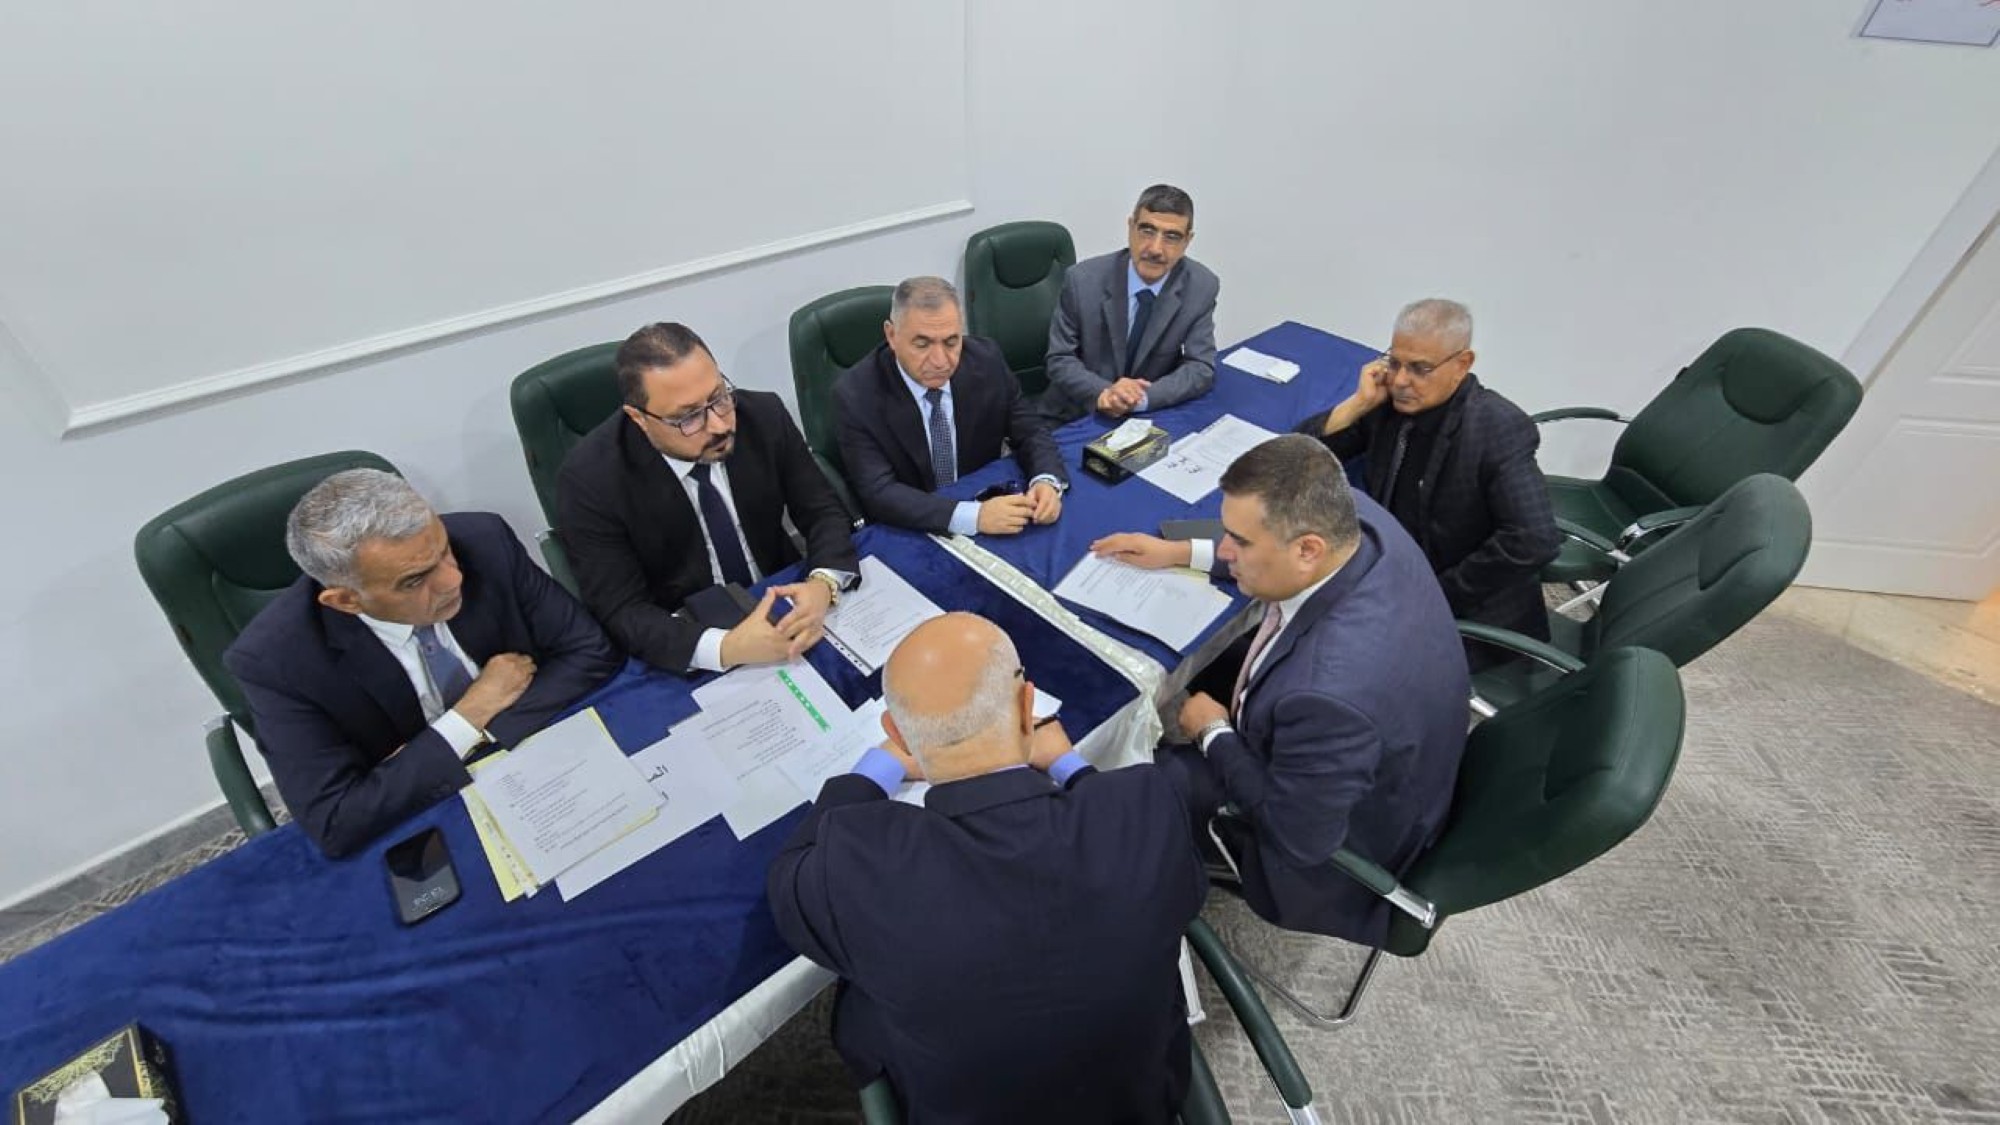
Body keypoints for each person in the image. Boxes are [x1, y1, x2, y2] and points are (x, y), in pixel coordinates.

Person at [767, 613, 1205, 1123]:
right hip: (1142, 1101)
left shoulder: (857, 867)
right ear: (1027, 707)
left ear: (898, 734)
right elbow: (1154, 861)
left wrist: (874, 769)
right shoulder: (1149, 807)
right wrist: (1069, 765)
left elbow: (789, 874)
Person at [1089, 436, 1466, 945]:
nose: (1226, 549)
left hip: (1331, 850)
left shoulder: (1330, 696)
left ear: (1308, 549)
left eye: (1239, 543)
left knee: (1136, 784)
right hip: (1374, 761)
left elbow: (1300, 838)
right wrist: (1180, 552)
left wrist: (1213, 733)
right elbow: (1276, 548)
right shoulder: (1356, 520)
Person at [225, 470, 620, 858]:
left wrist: (445, 749)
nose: (452, 580)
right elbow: (336, 821)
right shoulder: (273, 661)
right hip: (427, 819)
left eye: (444, 551)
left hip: (536, 763)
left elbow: (591, 651)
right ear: (346, 601)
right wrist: (471, 714)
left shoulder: (484, 540)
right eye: (414, 581)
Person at [558, 322, 859, 674]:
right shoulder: (590, 480)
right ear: (639, 418)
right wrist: (725, 648)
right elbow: (621, 610)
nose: (719, 425)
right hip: (687, 634)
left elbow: (822, 510)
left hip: (779, 598)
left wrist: (823, 584)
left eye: (719, 397)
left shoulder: (763, 415)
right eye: (688, 417)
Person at [1298, 298, 1560, 663]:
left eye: (1420, 369)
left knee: (1333, 660)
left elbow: (1534, 540)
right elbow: (1301, 458)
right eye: (1394, 363)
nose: (1401, 381)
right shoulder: (1388, 404)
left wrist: (1435, 594)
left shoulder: (1496, 428)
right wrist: (1357, 404)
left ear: (1462, 364)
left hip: (1460, 605)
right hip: (1388, 567)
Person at [834, 276, 1068, 536]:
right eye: (922, 344)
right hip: (910, 525)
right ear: (892, 335)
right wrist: (972, 516)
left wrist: (1046, 480)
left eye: (951, 342)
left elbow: (1030, 431)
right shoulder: (856, 395)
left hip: (984, 498)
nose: (940, 361)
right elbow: (879, 492)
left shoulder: (986, 361)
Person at [1042, 183, 1219, 424]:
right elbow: (1060, 359)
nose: (1155, 249)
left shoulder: (1201, 286)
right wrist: (1105, 393)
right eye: (1147, 230)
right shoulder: (1082, 280)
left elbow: (1200, 367)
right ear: (1130, 227)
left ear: (1187, 241)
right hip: (1078, 412)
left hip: (1147, 414)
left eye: (1172, 237)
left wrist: (1141, 399)